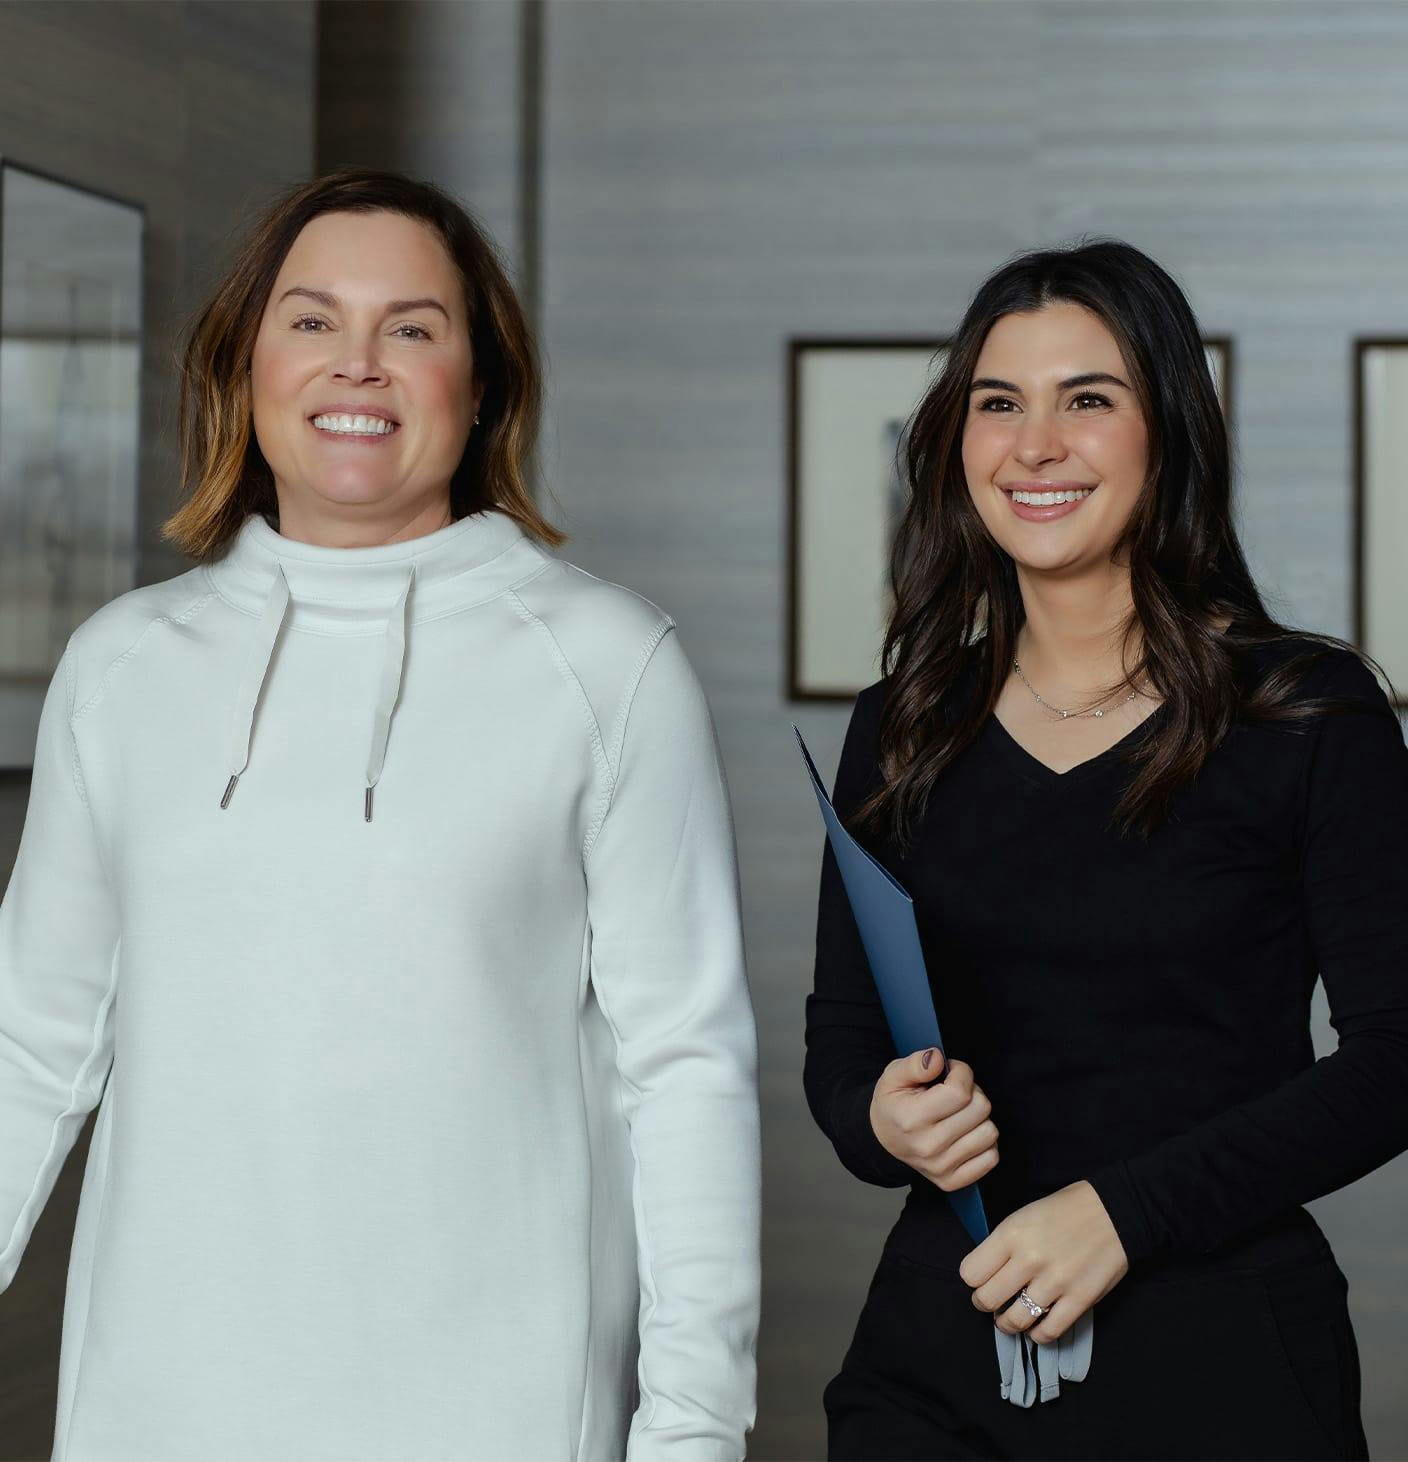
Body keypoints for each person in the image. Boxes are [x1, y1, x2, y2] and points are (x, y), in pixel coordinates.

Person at [0, 167, 760, 1462]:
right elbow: (28, 1046)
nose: (358, 365)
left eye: (412, 327)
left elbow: (686, 1069)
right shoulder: (122, 667)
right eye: (311, 321)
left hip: (494, 1412)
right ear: (245, 366)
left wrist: (691, 1429)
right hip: (157, 1408)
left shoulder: (608, 664)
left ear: (483, 388)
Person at [803, 237, 1407, 1460]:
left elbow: (1398, 1060)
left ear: (1167, 430)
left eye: (1087, 399)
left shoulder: (1304, 712)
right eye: (997, 403)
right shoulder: (904, 721)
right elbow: (843, 1047)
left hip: (1225, 1366)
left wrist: (1124, 1214)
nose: (1034, 443)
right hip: (935, 1357)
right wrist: (881, 1119)